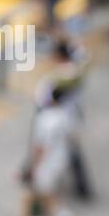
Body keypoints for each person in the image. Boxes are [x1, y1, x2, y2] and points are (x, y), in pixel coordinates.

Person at [34, 40, 92, 201]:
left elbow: (41, 98)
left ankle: (51, 191)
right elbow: (84, 54)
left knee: (52, 153)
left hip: (59, 119)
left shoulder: (57, 79)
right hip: (73, 118)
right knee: (74, 153)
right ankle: (83, 187)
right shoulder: (77, 72)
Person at [23, 83, 77, 216]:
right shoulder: (66, 115)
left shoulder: (45, 119)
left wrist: (33, 166)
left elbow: (40, 148)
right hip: (62, 158)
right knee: (44, 192)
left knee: (43, 194)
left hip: (47, 163)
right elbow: (72, 138)